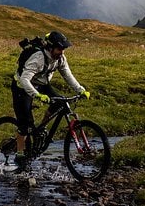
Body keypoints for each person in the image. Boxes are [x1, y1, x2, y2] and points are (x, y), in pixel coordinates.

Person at [11, 30, 91, 173]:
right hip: (22, 87)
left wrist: (80, 90)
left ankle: (41, 128)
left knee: (60, 103)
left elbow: (67, 74)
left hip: (42, 84)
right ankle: (19, 155)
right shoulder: (38, 58)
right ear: (50, 47)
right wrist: (37, 95)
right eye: (59, 48)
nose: (62, 51)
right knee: (26, 124)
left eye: (63, 49)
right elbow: (24, 79)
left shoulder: (60, 58)